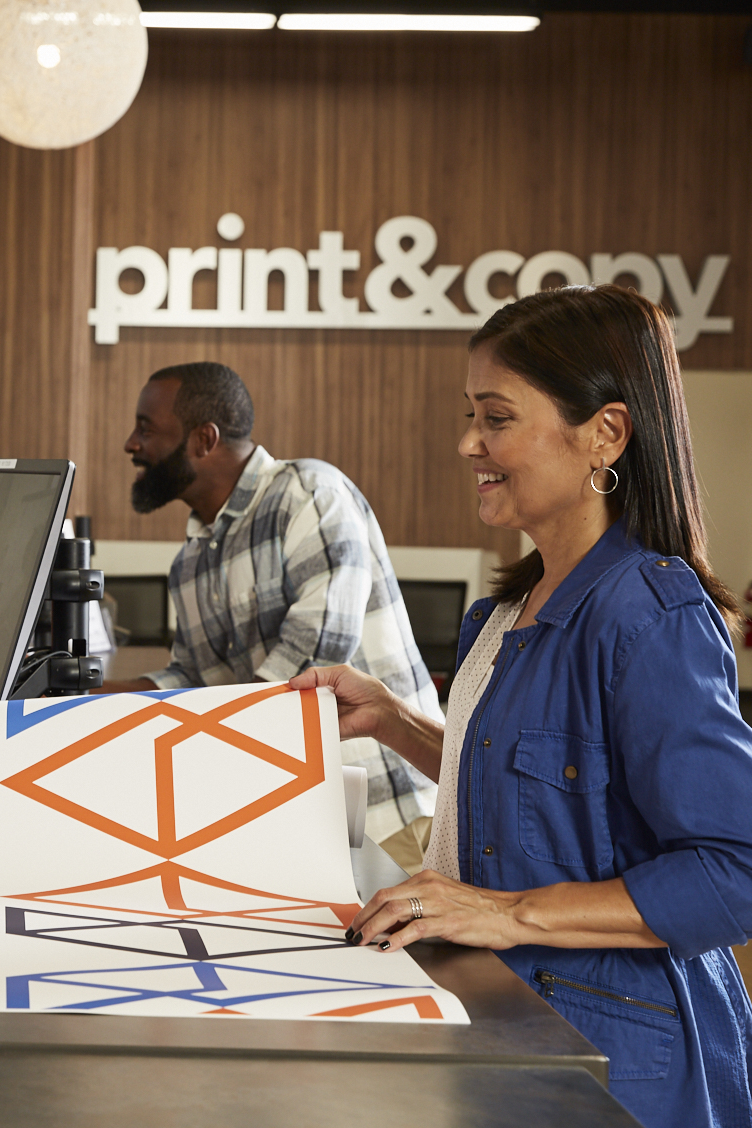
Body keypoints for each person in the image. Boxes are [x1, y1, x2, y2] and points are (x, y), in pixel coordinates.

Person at [293, 286, 752, 1128]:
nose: (468, 442)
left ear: (604, 434)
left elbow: (733, 872)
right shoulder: (501, 614)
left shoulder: (650, 616)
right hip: (505, 1019)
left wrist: (503, 912)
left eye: (496, 418)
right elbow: (533, 786)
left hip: (613, 1056)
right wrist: (393, 722)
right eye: (469, 415)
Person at [101, 361, 441, 863]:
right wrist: (81, 697)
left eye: (146, 429)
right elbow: (192, 679)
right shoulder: (189, 564)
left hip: (384, 815)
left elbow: (315, 663)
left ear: (203, 439)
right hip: (297, 823)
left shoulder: (309, 495)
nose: (132, 444)